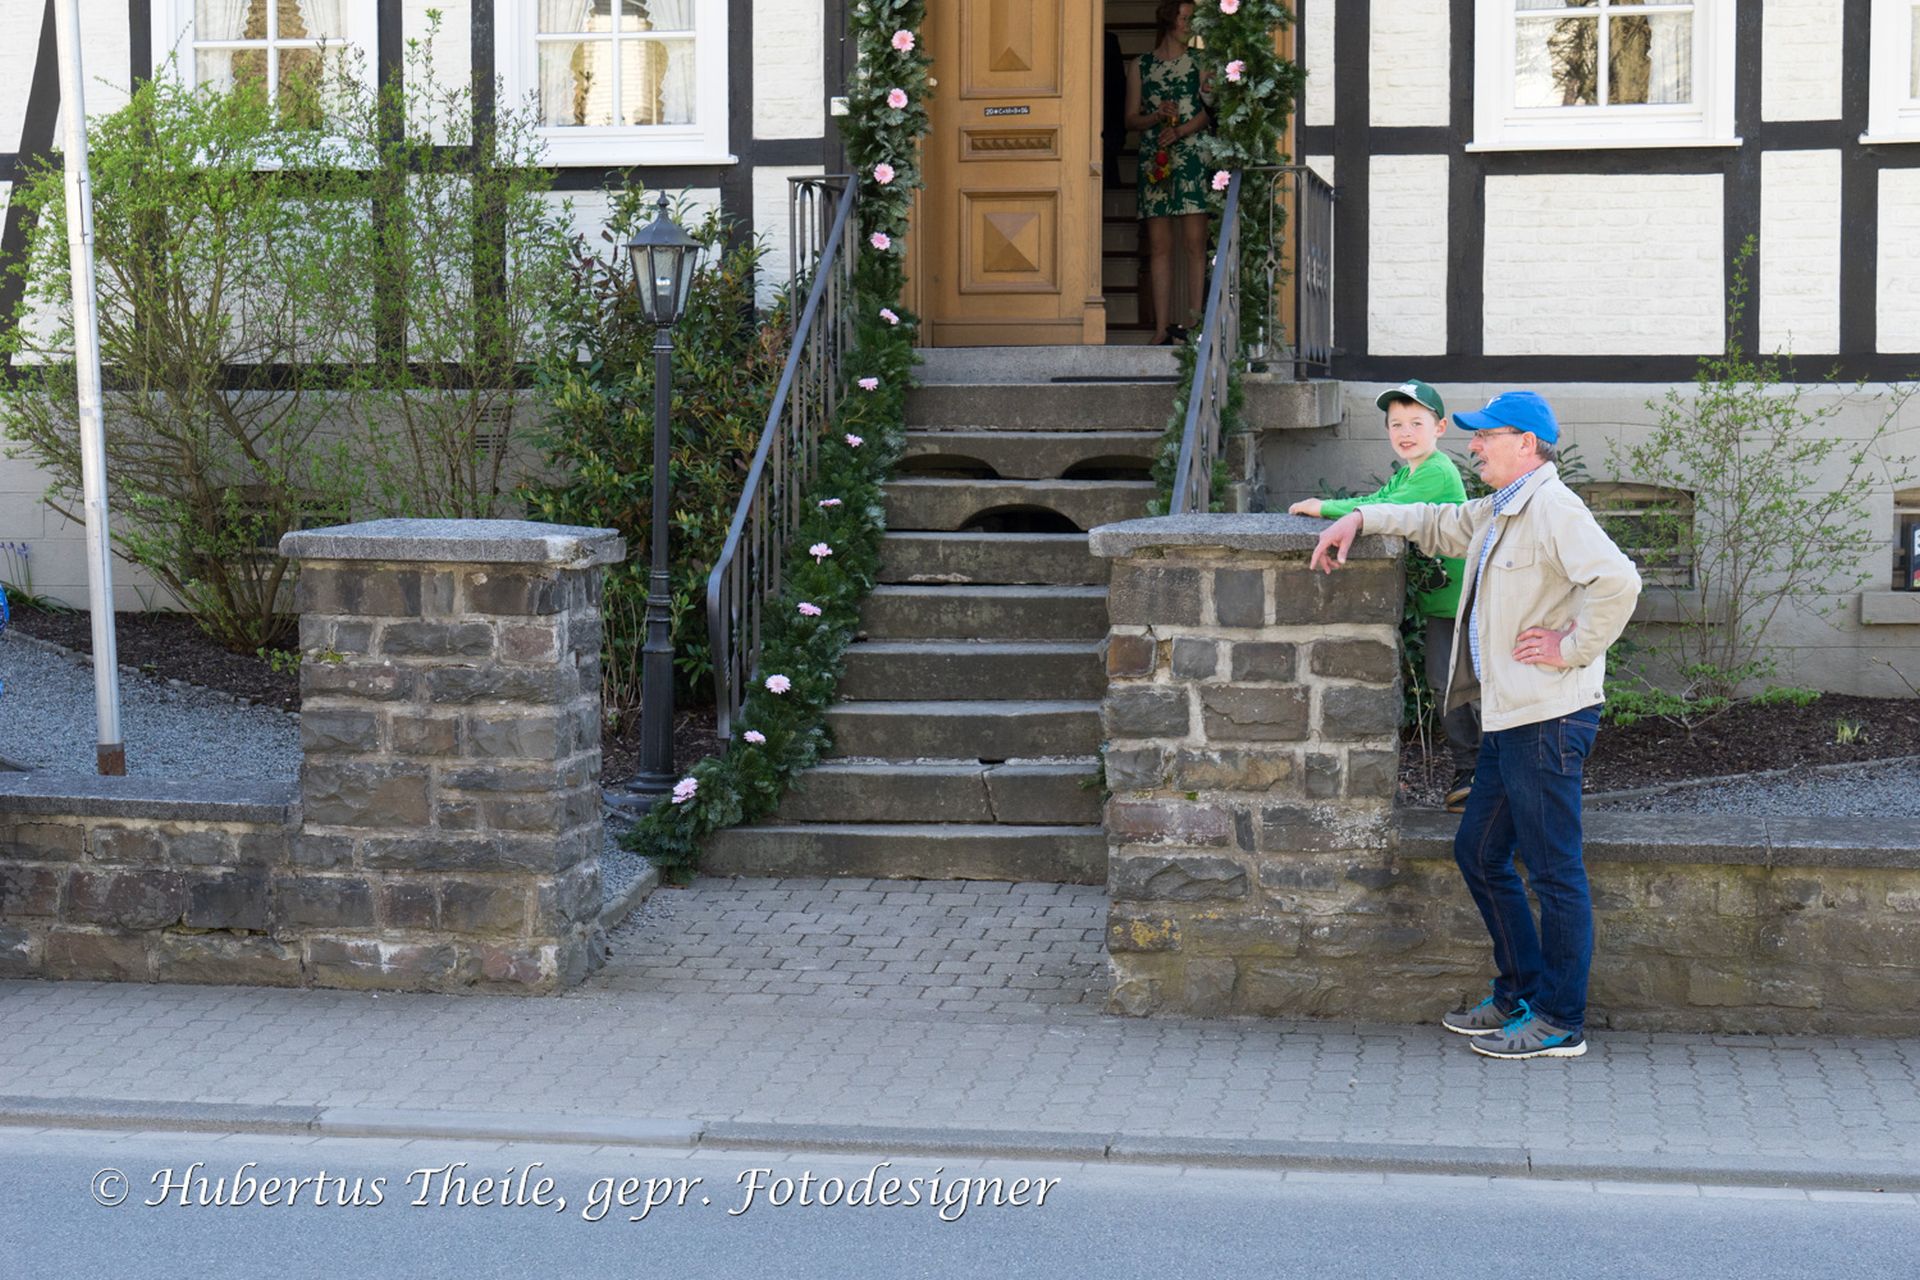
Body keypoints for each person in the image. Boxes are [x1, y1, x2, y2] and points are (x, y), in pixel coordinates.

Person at [1308, 391, 1642, 1060]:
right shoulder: (1499, 509)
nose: (1475, 446)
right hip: (1509, 718)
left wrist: (1571, 646)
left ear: (1527, 443)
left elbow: (1619, 582)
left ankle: (1560, 1021)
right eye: (1475, 435)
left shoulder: (1553, 509)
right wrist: (1360, 517)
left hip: (1549, 719)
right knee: (1480, 852)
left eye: (1487, 435)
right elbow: (1435, 522)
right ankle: (1520, 995)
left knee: (1553, 872)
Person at [1290, 379, 1478, 811]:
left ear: (1440, 428)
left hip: (1463, 603)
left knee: (1455, 685)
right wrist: (1337, 508)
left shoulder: (1436, 471)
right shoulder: (1409, 471)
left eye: (1416, 423)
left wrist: (1326, 509)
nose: (1405, 432)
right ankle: (1474, 770)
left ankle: (1478, 772)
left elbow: (1386, 511)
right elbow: (1379, 497)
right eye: (1396, 424)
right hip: (1443, 605)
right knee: (1446, 683)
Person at [1125, 0, 1212, 345]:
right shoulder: (1141, 65)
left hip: (1192, 156)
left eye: (1192, 19)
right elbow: (1130, 120)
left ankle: (1194, 326)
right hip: (1155, 159)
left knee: (1195, 244)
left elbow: (1210, 111)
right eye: (1184, 18)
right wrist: (1156, 116)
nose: (1189, 25)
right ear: (1168, 21)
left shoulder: (1201, 61)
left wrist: (1180, 130)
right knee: (1160, 246)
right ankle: (1161, 329)